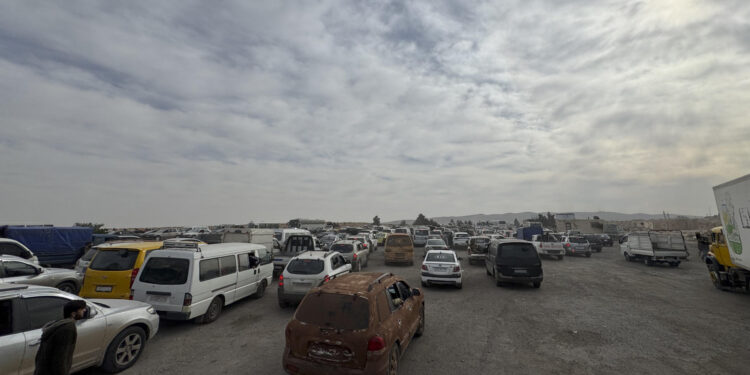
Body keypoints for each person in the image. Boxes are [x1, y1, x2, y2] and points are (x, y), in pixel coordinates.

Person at [34, 300, 87, 375]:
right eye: (81, 309)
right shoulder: (68, 329)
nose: (84, 310)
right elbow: (60, 358)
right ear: (73, 314)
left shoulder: (59, 324)